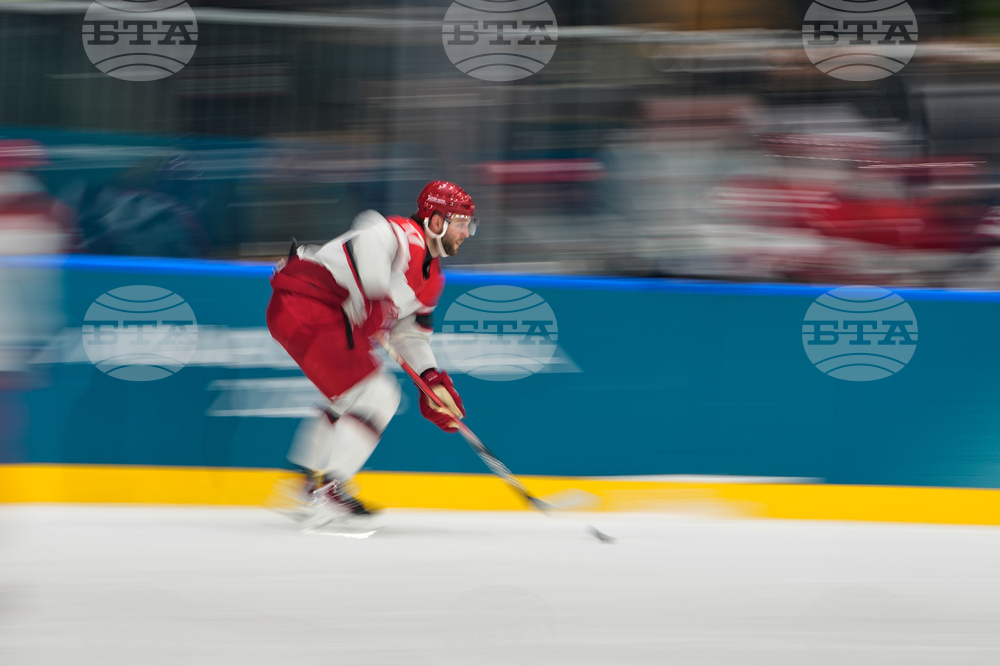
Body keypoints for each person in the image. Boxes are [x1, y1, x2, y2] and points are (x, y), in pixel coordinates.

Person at [266, 181, 478, 530]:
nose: (467, 232)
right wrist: (376, 294)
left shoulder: (433, 280)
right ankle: (331, 489)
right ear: (435, 222)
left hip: (307, 312)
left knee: (351, 400)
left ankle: (304, 485)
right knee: (379, 394)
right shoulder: (402, 235)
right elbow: (369, 228)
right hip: (307, 302)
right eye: (460, 223)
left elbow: (410, 334)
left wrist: (430, 380)